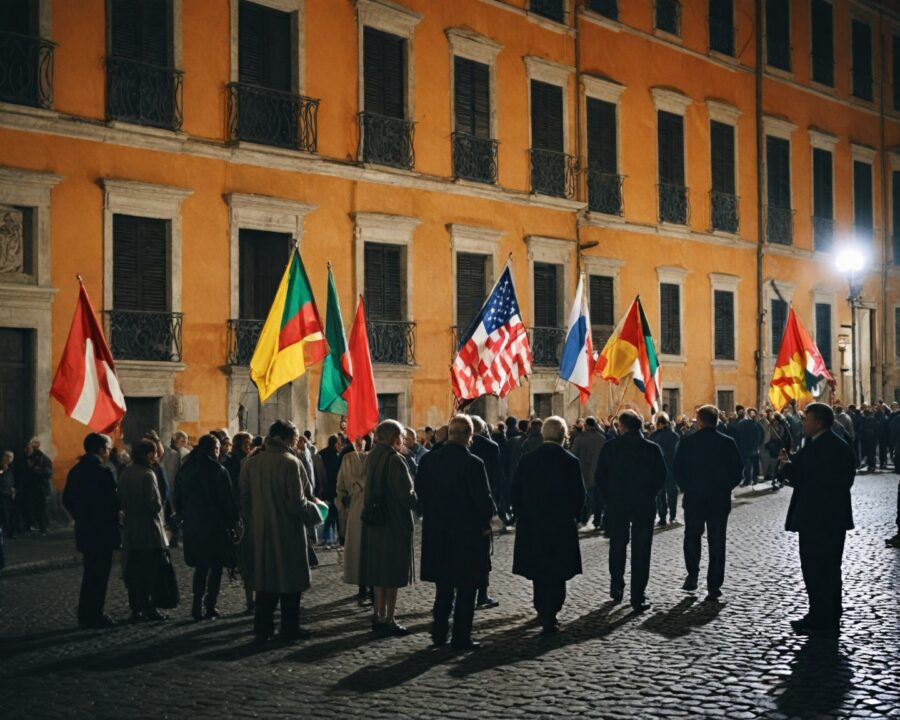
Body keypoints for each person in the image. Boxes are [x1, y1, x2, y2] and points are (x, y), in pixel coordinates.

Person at [777, 403, 856, 638]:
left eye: (807, 419)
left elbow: (808, 477)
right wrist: (787, 463)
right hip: (824, 518)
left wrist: (787, 467)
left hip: (820, 519)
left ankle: (823, 617)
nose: (803, 422)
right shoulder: (823, 444)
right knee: (822, 569)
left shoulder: (827, 446)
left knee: (819, 568)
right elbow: (801, 469)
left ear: (818, 422)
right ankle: (823, 613)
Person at [417, 415, 495, 650]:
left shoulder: (429, 461)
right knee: (466, 589)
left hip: (437, 534)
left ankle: (439, 633)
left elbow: (420, 493)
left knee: (443, 587)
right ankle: (461, 637)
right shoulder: (474, 464)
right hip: (466, 536)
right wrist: (486, 521)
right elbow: (484, 502)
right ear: (469, 436)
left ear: (450, 433)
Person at [240, 420, 322, 642]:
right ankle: (290, 628)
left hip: (259, 530)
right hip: (287, 531)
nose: (296, 445)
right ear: (287, 439)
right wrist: (316, 513)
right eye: (295, 440)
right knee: (290, 582)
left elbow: (244, 499)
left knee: (265, 582)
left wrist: (254, 519)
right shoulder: (289, 463)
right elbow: (297, 502)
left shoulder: (251, 462)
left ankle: (263, 628)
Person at [511, 416, 585, 633]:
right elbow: (579, 496)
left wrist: (521, 514)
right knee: (558, 570)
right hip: (560, 524)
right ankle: (552, 611)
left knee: (539, 570)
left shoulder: (528, 460)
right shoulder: (570, 461)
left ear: (544, 434)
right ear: (564, 436)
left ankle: (542, 609)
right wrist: (574, 516)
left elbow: (516, 492)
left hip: (533, 523)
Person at [595, 410, 667, 612]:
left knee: (617, 545)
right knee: (641, 549)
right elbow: (661, 476)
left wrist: (609, 498)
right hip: (643, 504)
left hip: (617, 504)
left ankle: (616, 586)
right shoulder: (652, 448)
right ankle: (638, 595)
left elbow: (600, 476)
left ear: (623, 427)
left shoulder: (610, 447)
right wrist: (650, 493)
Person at [671, 405, 743, 602]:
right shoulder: (728, 443)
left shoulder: (688, 443)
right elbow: (738, 471)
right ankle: (714, 585)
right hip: (718, 499)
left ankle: (692, 574)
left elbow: (677, 469)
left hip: (694, 498)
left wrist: (687, 487)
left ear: (700, 421)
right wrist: (725, 487)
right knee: (717, 541)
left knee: (692, 536)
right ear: (717, 421)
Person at [173, 434, 240, 621]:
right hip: (215, 525)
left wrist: (181, 514)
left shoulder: (187, 468)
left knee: (201, 567)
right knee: (216, 567)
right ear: (214, 449)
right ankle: (210, 605)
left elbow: (177, 494)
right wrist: (234, 522)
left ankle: (196, 605)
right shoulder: (218, 470)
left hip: (193, 524)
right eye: (218, 448)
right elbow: (227, 500)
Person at [363, 420, 418, 636]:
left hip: (374, 522)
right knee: (393, 572)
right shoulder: (395, 460)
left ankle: (378, 614)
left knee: (378, 572)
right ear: (396, 438)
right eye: (402, 437)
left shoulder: (371, 456)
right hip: (393, 523)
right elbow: (407, 496)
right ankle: (389, 618)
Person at [62, 433, 121, 628]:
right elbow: (114, 502)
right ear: (101, 449)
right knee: (99, 574)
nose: (109, 453)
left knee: (90, 573)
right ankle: (95, 614)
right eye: (109, 449)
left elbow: (67, 500)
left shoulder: (76, 471)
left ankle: (85, 613)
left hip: (86, 529)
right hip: (102, 530)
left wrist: (81, 517)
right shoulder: (103, 471)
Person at [118, 438, 170, 622]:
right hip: (148, 530)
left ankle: (136, 607)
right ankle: (149, 607)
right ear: (149, 454)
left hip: (131, 529)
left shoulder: (126, 472)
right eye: (155, 453)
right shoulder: (148, 474)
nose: (156, 456)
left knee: (134, 571)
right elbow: (155, 505)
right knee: (149, 571)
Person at [467, 415, 501, 609]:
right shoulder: (491, 447)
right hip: (483, 507)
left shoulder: (455, 447)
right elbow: (496, 479)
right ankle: (482, 594)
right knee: (483, 553)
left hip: (460, 510)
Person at [223, 431, 254, 613]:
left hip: (242, 513)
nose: (249, 446)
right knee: (247, 559)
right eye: (247, 443)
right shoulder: (237, 463)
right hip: (241, 514)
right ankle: (251, 600)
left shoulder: (241, 461)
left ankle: (252, 599)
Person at [337, 435, 370, 604]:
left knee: (371, 550)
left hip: (371, 511)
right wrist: (344, 500)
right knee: (359, 550)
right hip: (356, 511)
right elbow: (340, 486)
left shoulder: (373, 457)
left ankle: (371, 587)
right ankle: (362, 587)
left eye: (361, 440)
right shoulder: (348, 459)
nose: (359, 443)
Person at [570, 416, 607, 531]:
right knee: (598, 497)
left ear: (586, 426)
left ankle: (584, 519)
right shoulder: (602, 438)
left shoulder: (580, 439)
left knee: (585, 498)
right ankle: (597, 520)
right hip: (599, 472)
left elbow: (573, 454)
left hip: (584, 472)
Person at [648, 413, 680, 526]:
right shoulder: (675, 436)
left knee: (661, 495)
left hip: (659, 469)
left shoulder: (654, 437)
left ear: (660, 424)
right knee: (672, 493)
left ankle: (662, 518)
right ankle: (673, 516)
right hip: (671, 468)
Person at [316, 435, 343, 545]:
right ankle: (334, 537)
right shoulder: (334, 457)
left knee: (331, 514)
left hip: (326, 489)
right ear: (335, 444)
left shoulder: (322, 453)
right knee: (335, 513)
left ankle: (328, 537)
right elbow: (334, 475)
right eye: (339, 444)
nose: (340, 446)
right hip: (332, 489)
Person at [22, 438, 52, 534]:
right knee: (29, 508)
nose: (27, 450)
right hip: (28, 488)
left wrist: (39, 470)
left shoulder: (43, 458)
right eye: (25, 448)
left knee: (41, 508)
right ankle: (30, 526)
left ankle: (43, 528)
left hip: (40, 488)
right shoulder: (23, 459)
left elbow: (49, 473)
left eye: (28, 447)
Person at [735, 409, 764, 486]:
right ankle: (754, 478)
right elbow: (762, 434)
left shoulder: (742, 423)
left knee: (748, 465)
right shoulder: (757, 424)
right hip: (753, 447)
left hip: (746, 447)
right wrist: (759, 444)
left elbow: (737, 435)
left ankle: (748, 480)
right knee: (754, 464)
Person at [0, 451, 17, 539]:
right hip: (2, 494)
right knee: (4, 514)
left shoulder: (12, 468)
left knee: (11, 514)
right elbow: (1, 474)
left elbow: (14, 479)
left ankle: (10, 533)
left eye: (10, 457)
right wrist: (3, 469)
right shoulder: (1, 467)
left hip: (10, 494)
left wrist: (14, 488)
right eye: (7, 457)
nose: (8, 459)